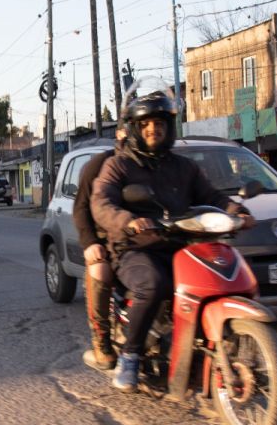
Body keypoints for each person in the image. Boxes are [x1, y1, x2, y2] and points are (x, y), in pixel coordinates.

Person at [91, 92, 253, 391]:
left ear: (169, 127)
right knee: (154, 283)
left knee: (214, 279)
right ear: (136, 128)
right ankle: (130, 356)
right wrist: (128, 221)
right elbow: (102, 204)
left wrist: (236, 210)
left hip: (179, 244)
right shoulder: (119, 166)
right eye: (147, 124)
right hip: (134, 248)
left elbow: (211, 196)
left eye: (160, 123)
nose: (154, 129)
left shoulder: (184, 167)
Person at [73, 123, 128, 371]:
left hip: (146, 240)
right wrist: (90, 243)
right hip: (106, 239)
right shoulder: (100, 164)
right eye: (134, 127)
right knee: (99, 269)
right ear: (119, 133)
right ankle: (101, 340)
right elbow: (81, 207)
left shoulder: (160, 165)